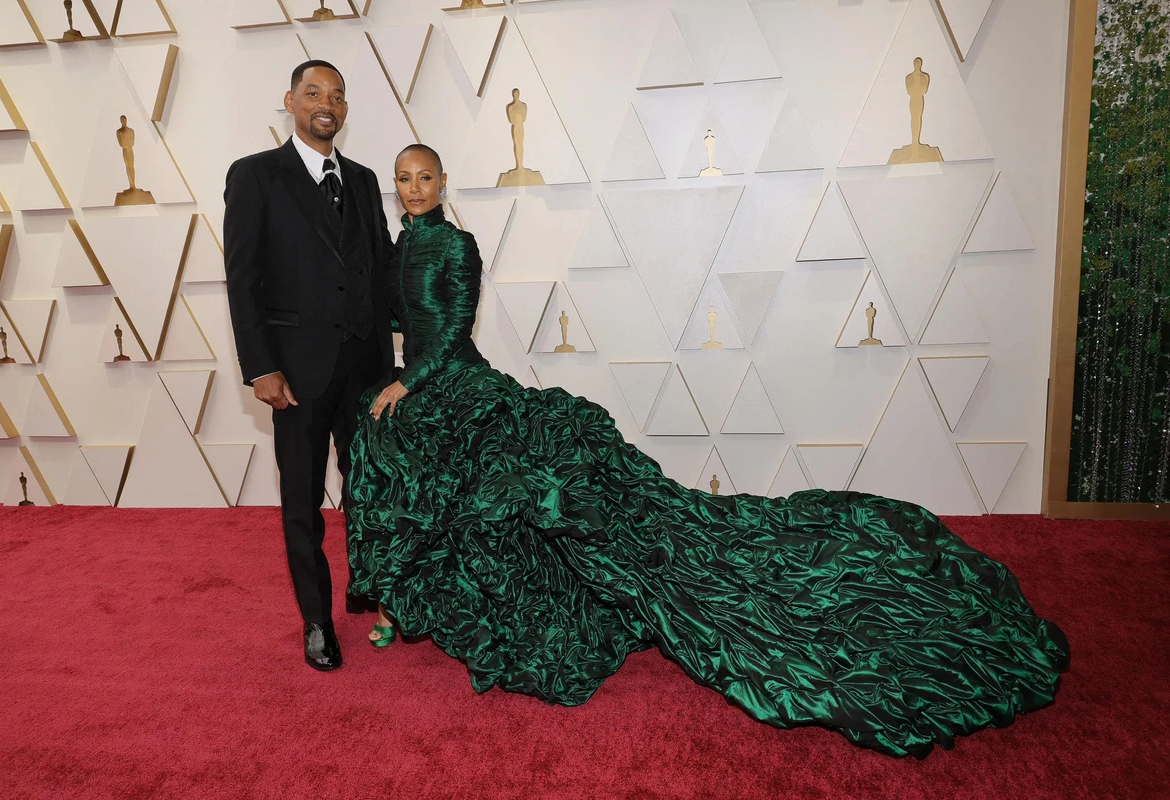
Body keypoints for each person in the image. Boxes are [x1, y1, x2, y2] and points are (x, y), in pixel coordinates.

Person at [345, 145, 1069, 757]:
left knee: (488, 481)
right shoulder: (402, 244)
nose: (414, 189)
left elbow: (455, 325)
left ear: (443, 185)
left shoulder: (455, 244)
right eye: (403, 179)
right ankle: (405, 606)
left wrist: (410, 382)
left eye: (425, 178)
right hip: (421, 386)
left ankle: (459, 608)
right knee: (403, 464)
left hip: (451, 381)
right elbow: (396, 314)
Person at [223, 60, 395, 671]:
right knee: (301, 500)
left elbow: (380, 271)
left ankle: (369, 590)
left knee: (370, 489)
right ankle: (317, 621)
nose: (327, 103)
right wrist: (259, 366)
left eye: (338, 96)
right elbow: (242, 281)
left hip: (367, 371)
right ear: (291, 100)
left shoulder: (367, 180)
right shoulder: (255, 175)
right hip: (295, 373)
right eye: (314, 92)